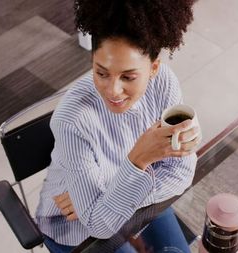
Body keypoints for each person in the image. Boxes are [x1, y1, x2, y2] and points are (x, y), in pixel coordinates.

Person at [35, 0, 201, 252]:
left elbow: (181, 173)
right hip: (74, 229)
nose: (112, 90)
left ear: (153, 68)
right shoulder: (71, 119)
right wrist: (137, 161)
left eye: (128, 77)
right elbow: (98, 225)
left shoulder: (164, 83)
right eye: (101, 73)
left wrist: (108, 196)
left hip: (125, 205)